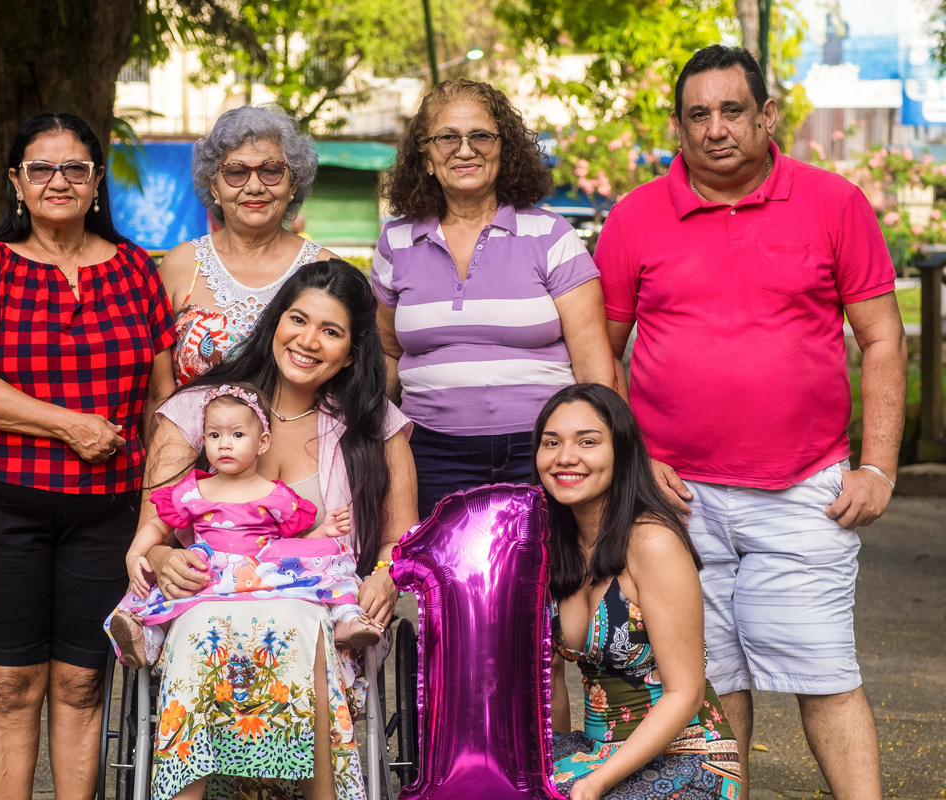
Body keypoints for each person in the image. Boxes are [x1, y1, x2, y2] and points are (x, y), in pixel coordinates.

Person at [595, 45, 907, 800]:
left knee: (825, 672)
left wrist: (877, 467)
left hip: (804, 490)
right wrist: (633, 460)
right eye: (698, 115)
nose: (716, 129)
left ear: (766, 115)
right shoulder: (635, 216)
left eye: (732, 110)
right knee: (706, 682)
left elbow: (883, 339)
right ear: (677, 127)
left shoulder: (834, 203)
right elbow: (600, 354)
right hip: (675, 497)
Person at [0, 112, 175, 800]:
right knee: (12, 683)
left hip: (108, 509)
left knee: (81, 680)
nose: (58, 181)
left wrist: (161, 508)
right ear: (16, 182)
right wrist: (71, 427)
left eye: (75, 168)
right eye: (40, 168)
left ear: (96, 181)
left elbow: (163, 400)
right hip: (7, 502)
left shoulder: (135, 268)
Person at [141, 259, 418, 800]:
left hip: (324, 611)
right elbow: (151, 536)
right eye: (298, 319)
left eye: (331, 331)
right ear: (275, 321)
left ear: (351, 352)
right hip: (208, 596)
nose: (308, 340)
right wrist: (162, 558)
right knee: (202, 627)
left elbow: (402, 541)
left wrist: (385, 576)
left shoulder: (374, 424)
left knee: (300, 624)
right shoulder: (198, 409)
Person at [373, 79, 616, 518]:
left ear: (505, 149)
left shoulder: (551, 235)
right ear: (426, 157)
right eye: (447, 137)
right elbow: (389, 353)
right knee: (439, 564)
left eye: (481, 136)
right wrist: (373, 438)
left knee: (543, 564)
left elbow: (594, 368)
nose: (465, 150)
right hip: (429, 454)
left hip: (543, 454)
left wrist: (595, 451)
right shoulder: (396, 242)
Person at [535, 384, 741, 800]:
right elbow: (544, 676)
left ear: (623, 452)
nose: (565, 457)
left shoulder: (653, 543)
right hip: (596, 751)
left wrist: (594, 783)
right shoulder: (551, 543)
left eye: (587, 442)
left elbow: (685, 693)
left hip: (685, 755)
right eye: (551, 442)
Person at [106, 381, 384, 670]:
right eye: (215, 435)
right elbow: (157, 525)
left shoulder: (276, 495)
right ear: (204, 439)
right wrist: (134, 554)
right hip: (210, 571)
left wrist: (323, 532)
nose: (224, 444)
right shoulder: (193, 491)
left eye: (237, 435)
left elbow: (297, 545)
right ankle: (147, 637)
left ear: (262, 442)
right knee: (174, 588)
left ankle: (346, 617)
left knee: (333, 552)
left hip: (263, 569)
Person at [162, 105, 335, 386]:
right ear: (214, 187)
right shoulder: (181, 265)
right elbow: (158, 390)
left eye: (271, 171)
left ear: (293, 184)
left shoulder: (326, 269)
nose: (254, 186)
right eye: (236, 172)